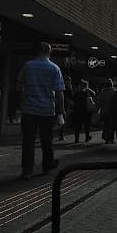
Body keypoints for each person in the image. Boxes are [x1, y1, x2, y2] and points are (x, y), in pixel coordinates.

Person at [17, 42, 65, 179]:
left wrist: (25, 98)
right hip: (47, 111)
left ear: (37, 51)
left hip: (29, 110)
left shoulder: (28, 66)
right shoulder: (55, 68)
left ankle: (27, 170)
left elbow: (19, 87)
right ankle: (46, 166)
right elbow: (59, 93)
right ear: (49, 52)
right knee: (46, 140)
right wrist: (60, 112)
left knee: (28, 141)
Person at [72, 79, 96, 144]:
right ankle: (87, 137)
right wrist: (88, 88)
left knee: (77, 126)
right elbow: (94, 94)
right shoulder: (88, 92)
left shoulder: (77, 93)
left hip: (77, 111)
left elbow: (72, 100)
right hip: (86, 111)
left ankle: (76, 139)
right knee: (87, 125)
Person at [97, 79, 116, 144]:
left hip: (104, 110)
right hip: (113, 111)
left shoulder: (103, 92)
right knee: (112, 125)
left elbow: (99, 102)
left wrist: (98, 110)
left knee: (106, 125)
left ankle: (106, 138)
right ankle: (111, 138)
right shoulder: (115, 91)